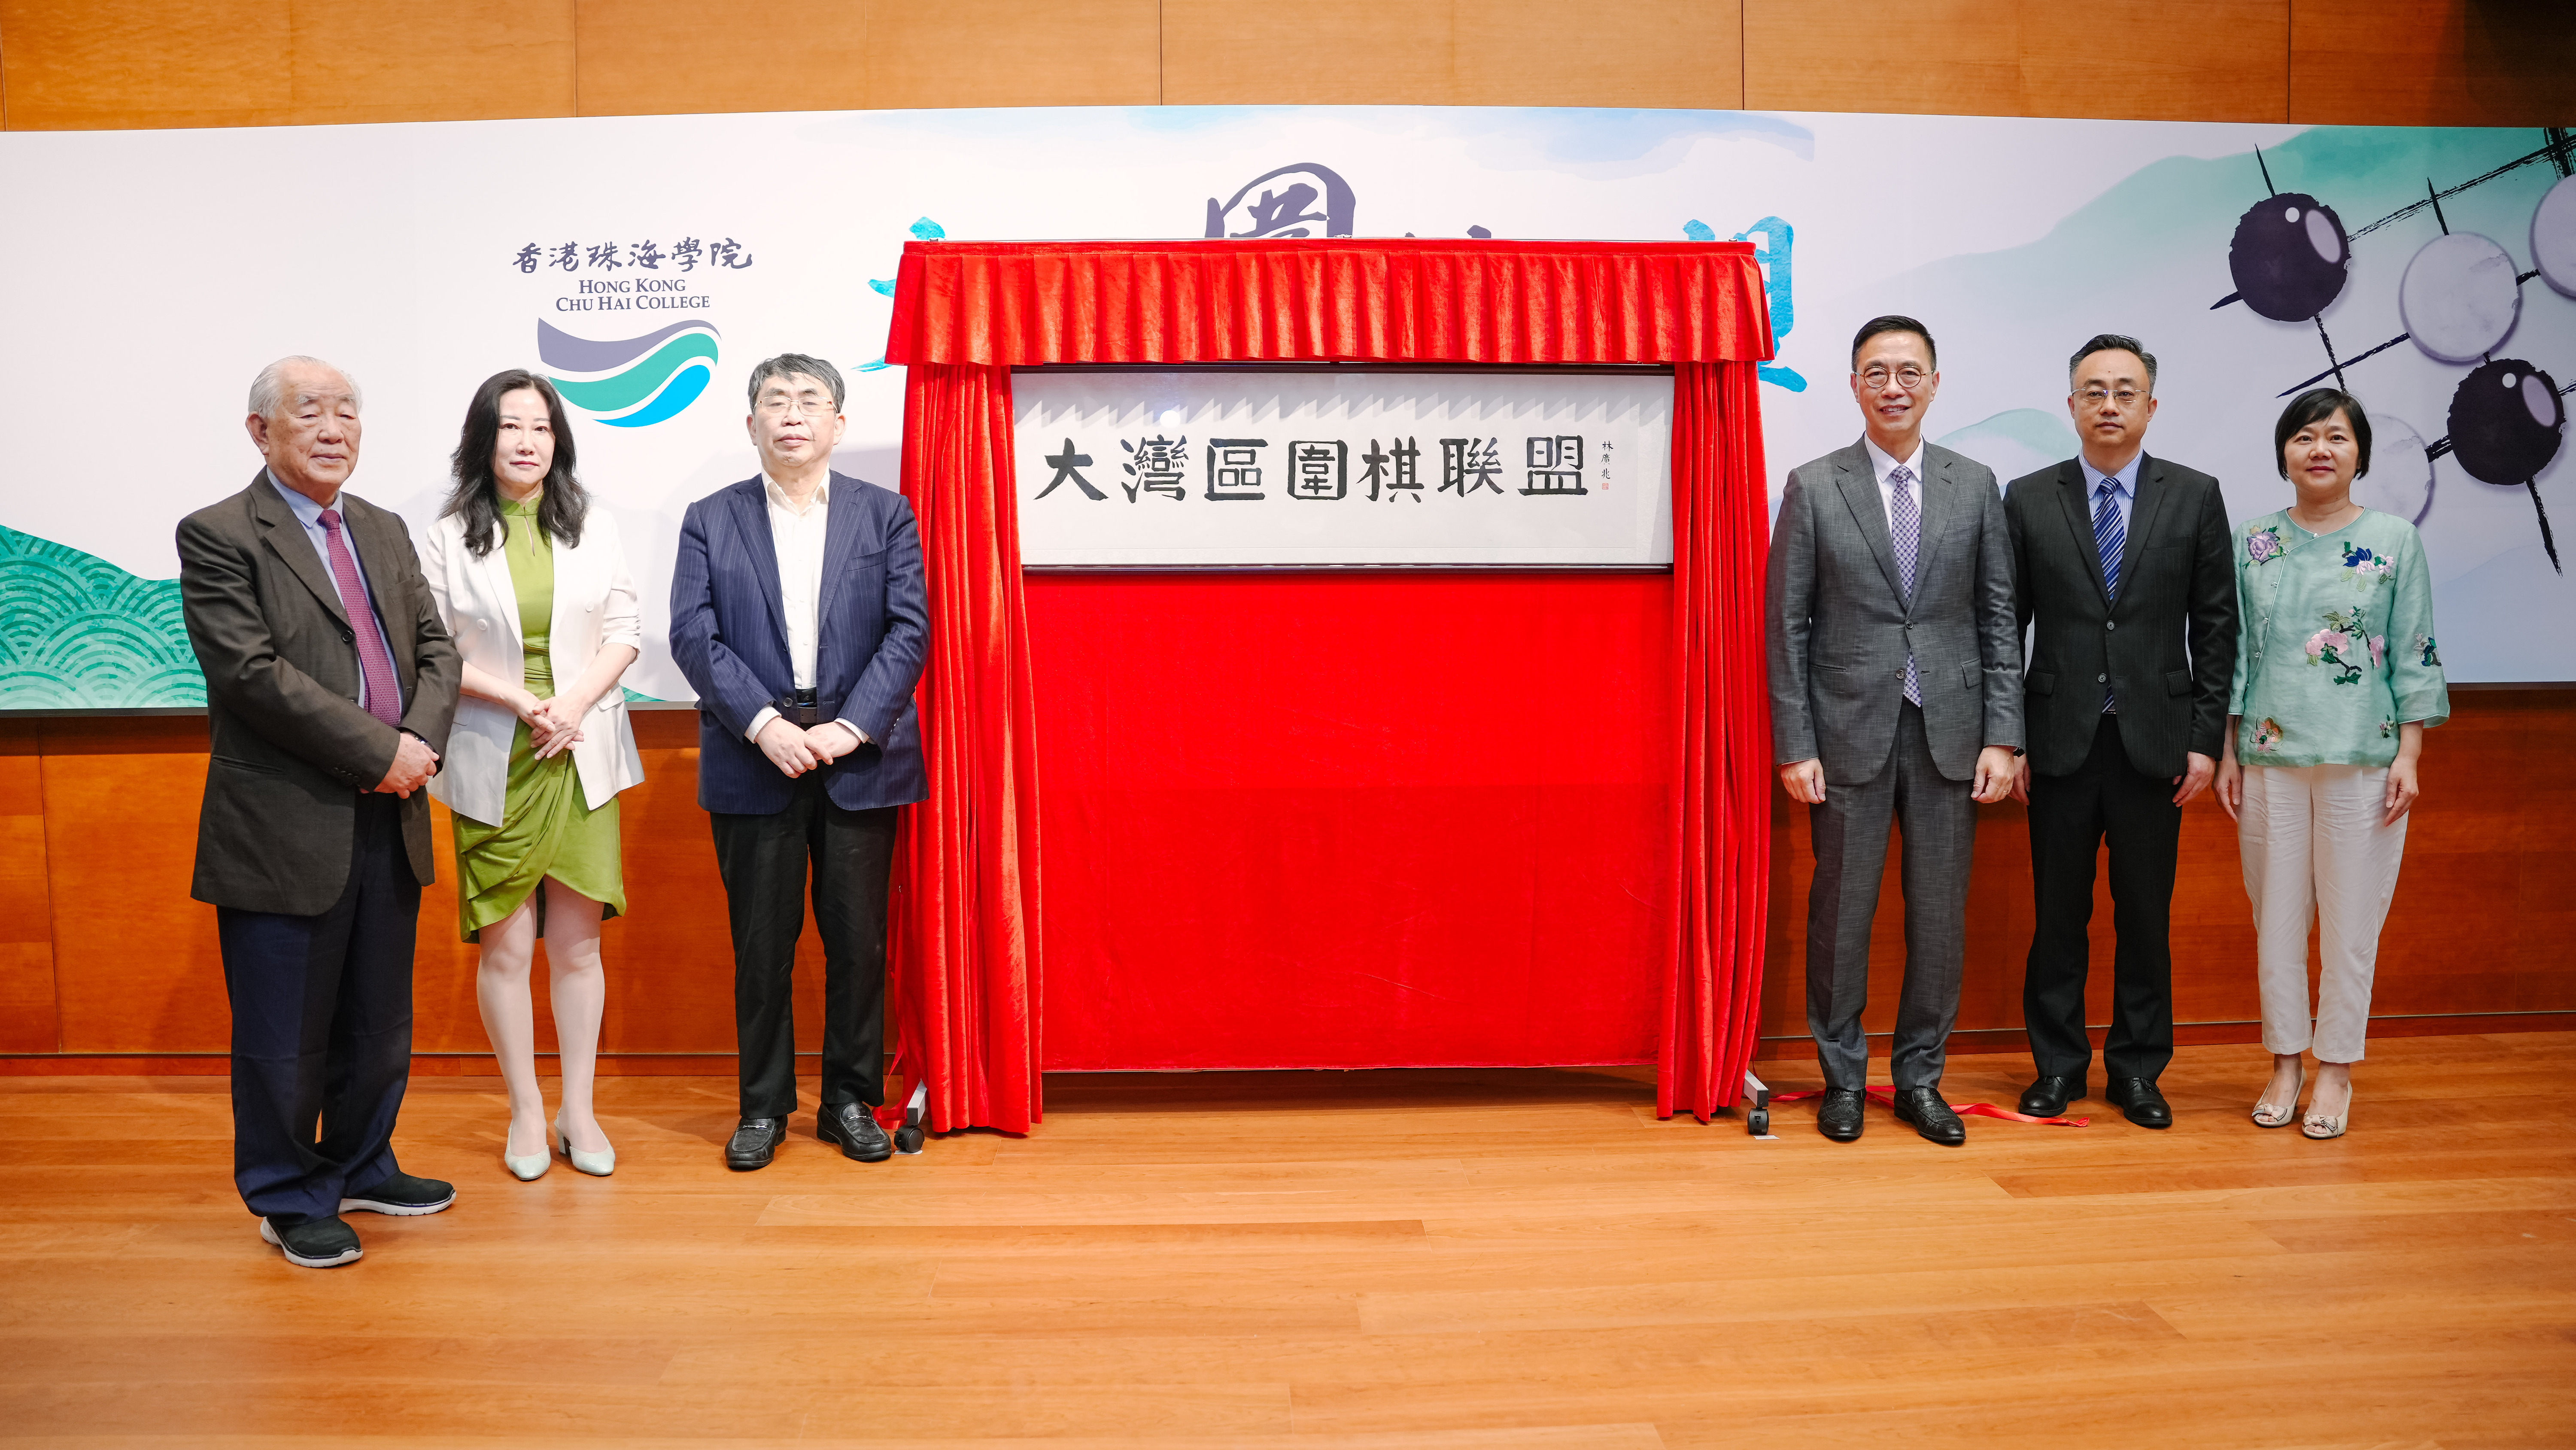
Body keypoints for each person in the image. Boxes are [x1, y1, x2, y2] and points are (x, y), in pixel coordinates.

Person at [178, 356, 462, 1268]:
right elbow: (251, 675)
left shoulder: (381, 527)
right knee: (283, 1032)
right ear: (260, 431)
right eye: (310, 413)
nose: (335, 429)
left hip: (391, 813)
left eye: (348, 411)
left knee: (377, 1022)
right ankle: (287, 1194)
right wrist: (379, 752)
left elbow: (437, 650)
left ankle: (362, 1164)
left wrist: (416, 746)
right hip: (284, 824)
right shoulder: (220, 534)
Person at [1765, 316, 2023, 1146]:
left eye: (1910, 371)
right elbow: (1787, 627)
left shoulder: (1974, 484)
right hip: (1846, 733)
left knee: (1939, 918)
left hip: (1952, 731)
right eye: (1876, 372)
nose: (1894, 386)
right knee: (1841, 914)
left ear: (1935, 385)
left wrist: (2003, 735)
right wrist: (1796, 743)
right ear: (1854, 386)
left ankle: (1920, 1079)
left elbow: (1998, 617)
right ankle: (1844, 1079)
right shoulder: (1815, 485)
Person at [669, 353, 928, 1171]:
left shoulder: (885, 515)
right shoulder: (711, 518)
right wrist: (764, 724)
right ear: (751, 423)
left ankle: (849, 1100)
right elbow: (692, 634)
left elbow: (910, 629)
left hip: (858, 759)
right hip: (756, 758)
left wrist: (851, 726)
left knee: (858, 944)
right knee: (762, 946)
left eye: (810, 401)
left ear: (838, 424)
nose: (792, 414)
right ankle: (762, 1106)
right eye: (775, 402)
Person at [2003, 335, 2237, 1128]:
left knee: (2144, 917)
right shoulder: (2028, 497)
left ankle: (2138, 1070)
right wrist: (2011, 737)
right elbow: (2006, 625)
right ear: (2071, 405)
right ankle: (2058, 1067)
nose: (2109, 404)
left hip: (2156, 744)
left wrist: (2205, 738)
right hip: (2058, 740)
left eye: (2125, 391)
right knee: (2058, 918)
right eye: (2094, 391)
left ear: (2151, 406)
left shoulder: (2195, 495)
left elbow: (2216, 626)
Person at [422, 370, 644, 1181]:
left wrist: (572, 705)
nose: (527, 442)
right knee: (508, 947)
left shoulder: (595, 524)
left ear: (559, 441)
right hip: (498, 751)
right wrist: (524, 702)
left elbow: (625, 629)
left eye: (542, 427)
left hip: (580, 748)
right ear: (484, 438)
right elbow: (435, 648)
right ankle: (523, 1108)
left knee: (579, 947)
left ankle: (577, 1110)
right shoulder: (447, 537)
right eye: (511, 426)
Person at [2215, 389, 2446, 1140]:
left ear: (2360, 454)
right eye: (2305, 436)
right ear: (2284, 452)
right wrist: (2227, 748)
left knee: (2351, 926)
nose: (2320, 449)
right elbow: (2234, 651)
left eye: (2337, 437)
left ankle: (2337, 1068)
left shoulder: (2394, 539)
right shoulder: (2254, 539)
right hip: (2267, 754)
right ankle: (2285, 1061)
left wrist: (2411, 752)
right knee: (2276, 922)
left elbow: (2413, 648)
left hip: (2364, 755)